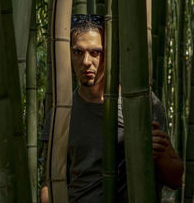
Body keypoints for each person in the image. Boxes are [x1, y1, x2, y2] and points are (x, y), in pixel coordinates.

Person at [40, 14, 183, 203]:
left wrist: (156, 154)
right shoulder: (60, 114)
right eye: (78, 52)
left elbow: (175, 179)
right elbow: (50, 183)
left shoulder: (142, 105)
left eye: (95, 52)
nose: (86, 62)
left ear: (109, 54)